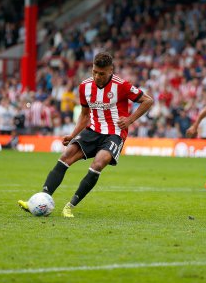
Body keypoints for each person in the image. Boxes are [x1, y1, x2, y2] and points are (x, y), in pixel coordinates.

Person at [18, 52, 153, 217]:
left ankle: (69, 206)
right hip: (92, 130)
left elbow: (148, 100)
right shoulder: (85, 87)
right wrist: (73, 135)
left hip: (114, 133)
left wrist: (130, 119)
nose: (97, 76)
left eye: (101, 73)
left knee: (98, 164)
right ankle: (40, 201)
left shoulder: (122, 85)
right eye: (94, 72)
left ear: (111, 70)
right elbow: (84, 115)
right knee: (65, 156)